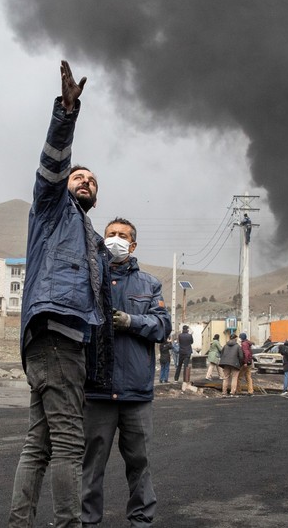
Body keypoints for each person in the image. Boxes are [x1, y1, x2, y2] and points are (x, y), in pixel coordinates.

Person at [10, 61, 112, 528]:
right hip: (56, 335)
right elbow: (52, 165)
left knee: (40, 444)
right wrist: (66, 113)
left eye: (92, 181)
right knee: (69, 443)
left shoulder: (90, 236)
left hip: (58, 341)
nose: (85, 181)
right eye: (79, 177)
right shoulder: (53, 208)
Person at [81, 217, 172, 527]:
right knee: (91, 466)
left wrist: (132, 321)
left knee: (139, 464)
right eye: (110, 234)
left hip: (136, 393)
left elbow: (163, 326)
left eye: (122, 235)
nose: (115, 239)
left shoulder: (149, 284)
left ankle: (141, 522)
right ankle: (87, 522)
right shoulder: (89, 279)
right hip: (97, 391)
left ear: (132, 246)